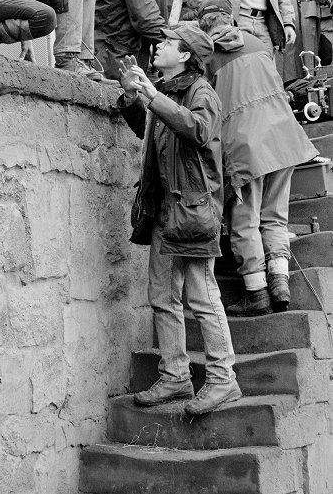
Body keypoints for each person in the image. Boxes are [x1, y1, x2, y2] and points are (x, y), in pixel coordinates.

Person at [118, 23, 241, 416]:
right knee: (162, 296)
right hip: (165, 210)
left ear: (186, 54)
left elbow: (199, 130)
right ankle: (175, 375)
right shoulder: (167, 90)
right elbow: (152, 134)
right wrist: (133, 97)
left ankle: (224, 381)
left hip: (192, 209)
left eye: (168, 43)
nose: (159, 47)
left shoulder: (199, 91)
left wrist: (154, 97)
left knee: (202, 296)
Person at [198, 0, 318, 316]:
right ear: (229, 18)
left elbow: (204, 106)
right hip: (283, 138)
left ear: (204, 24)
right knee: (275, 217)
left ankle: (257, 294)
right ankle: (280, 282)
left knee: (244, 221)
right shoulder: (256, 41)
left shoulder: (206, 52)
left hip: (246, 145)